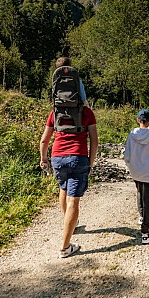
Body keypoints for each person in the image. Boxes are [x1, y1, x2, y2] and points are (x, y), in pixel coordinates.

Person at [40, 99, 98, 258]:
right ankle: (65, 247)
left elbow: (44, 140)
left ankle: (70, 224)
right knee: (73, 200)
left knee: (63, 188)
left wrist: (44, 158)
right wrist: (90, 163)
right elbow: (94, 140)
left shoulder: (55, 112)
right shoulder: (87, 113)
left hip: (57, 158)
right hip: (78, 158)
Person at [124, 109, 149, 245]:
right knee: (147, 198)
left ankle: (141, 216)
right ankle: (145, 231)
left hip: (135, 171)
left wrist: (131, 165)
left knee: (140, 191)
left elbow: (126, 154)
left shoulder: (131, 134)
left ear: (138, 120)